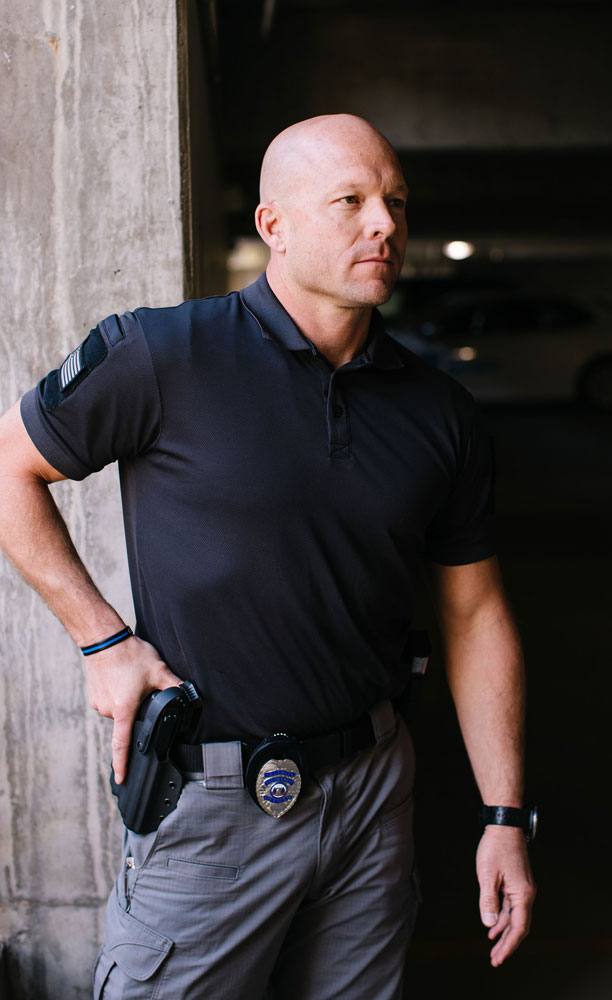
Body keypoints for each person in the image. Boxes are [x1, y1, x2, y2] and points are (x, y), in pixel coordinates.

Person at [0, 114, 535, 999]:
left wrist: (506, 814)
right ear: (273, 225)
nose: (385, 225)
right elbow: (10, 467)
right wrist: (102, 640)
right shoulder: (162, 353)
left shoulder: (440, 411)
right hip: (212, 805)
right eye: (351, 201)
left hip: (372, 793)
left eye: (396, 202)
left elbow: (475, 614)